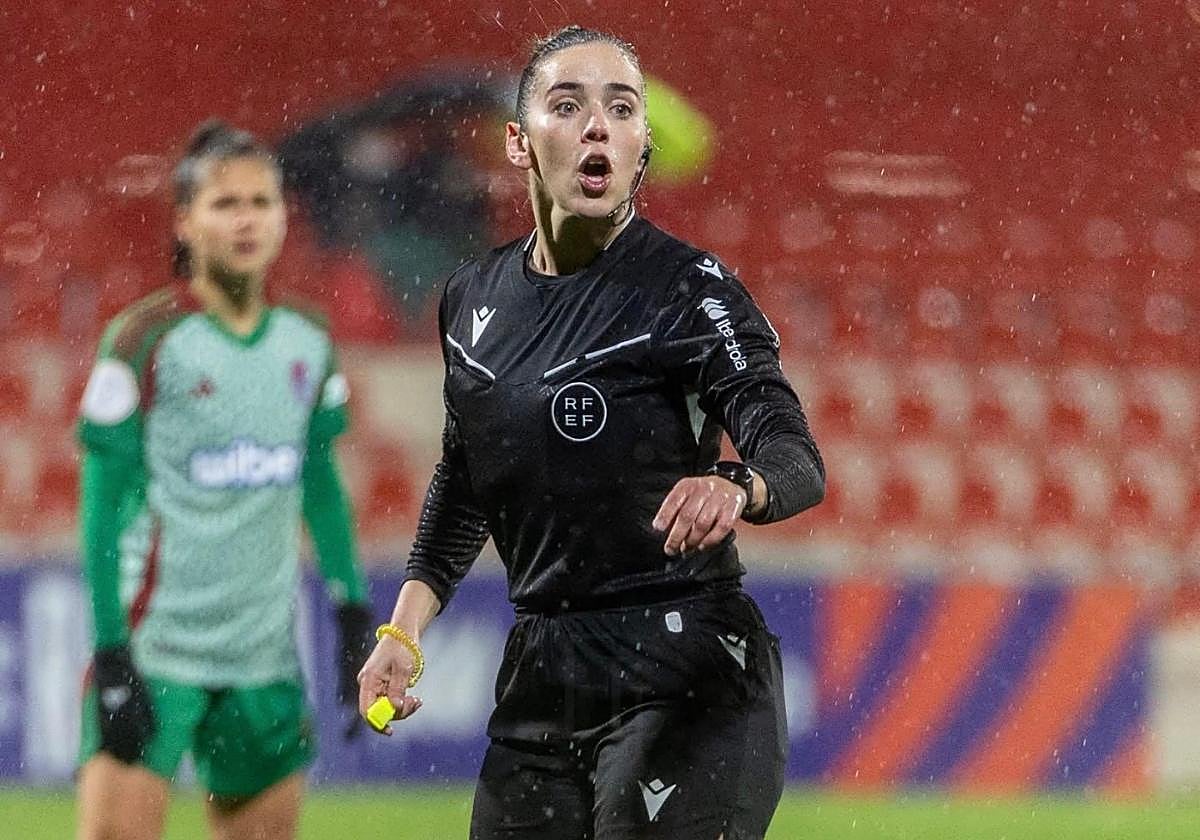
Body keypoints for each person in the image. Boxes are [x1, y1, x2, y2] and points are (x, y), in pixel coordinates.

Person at [358, 25, 824, 840]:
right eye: (567, 104)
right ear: (518, 142)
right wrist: (404, 627)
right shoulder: (471, 301)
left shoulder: (687, 289)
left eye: (621, 107)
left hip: (687, 672)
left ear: (642, 144)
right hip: (541, 675)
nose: (597, 124)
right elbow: (466, 479)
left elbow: (792, 451)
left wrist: (737, 482)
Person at [75, 120, 375, 840]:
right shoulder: (144, 340)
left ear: (282, 216)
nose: (246, 220)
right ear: (186, 221)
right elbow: (101, 507)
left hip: (263, 660)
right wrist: (112, 653)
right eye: (225, 203)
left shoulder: (308, 340)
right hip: (155, 652)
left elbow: (320, 486)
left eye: (261, 202)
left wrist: (352, 614)